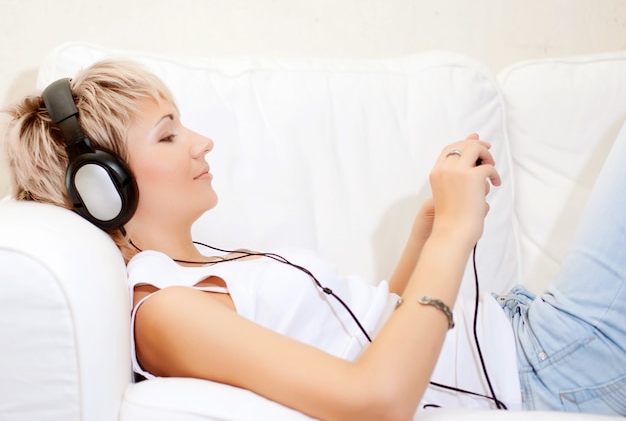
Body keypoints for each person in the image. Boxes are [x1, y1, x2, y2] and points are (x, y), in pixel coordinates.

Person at [3, 59, 625, 419]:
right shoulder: (164, 310)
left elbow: (372, 342)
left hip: (529, 342)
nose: (201, 143)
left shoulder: (197, 271)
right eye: (168, 136)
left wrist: (425, 232)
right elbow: (375, 400)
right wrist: (456, 237)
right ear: (104, 187)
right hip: (540, 371)